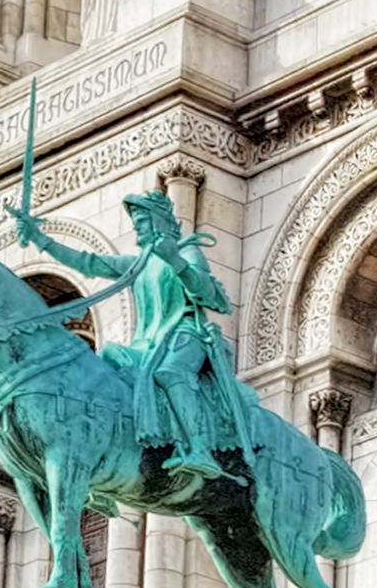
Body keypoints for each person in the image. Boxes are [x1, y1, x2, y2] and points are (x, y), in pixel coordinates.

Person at [19, 180, 258, 505]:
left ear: (160, 222)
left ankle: (200, 449)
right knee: (107, 374)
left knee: (171, 373)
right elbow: (88, 262)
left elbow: (214, 299)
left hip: (186, 334)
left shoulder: (187, 250)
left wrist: (175, 261)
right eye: (135, 224)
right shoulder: (140, 263)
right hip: (148, 342)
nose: (137, 230)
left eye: (142, 223)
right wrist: (41, 240)